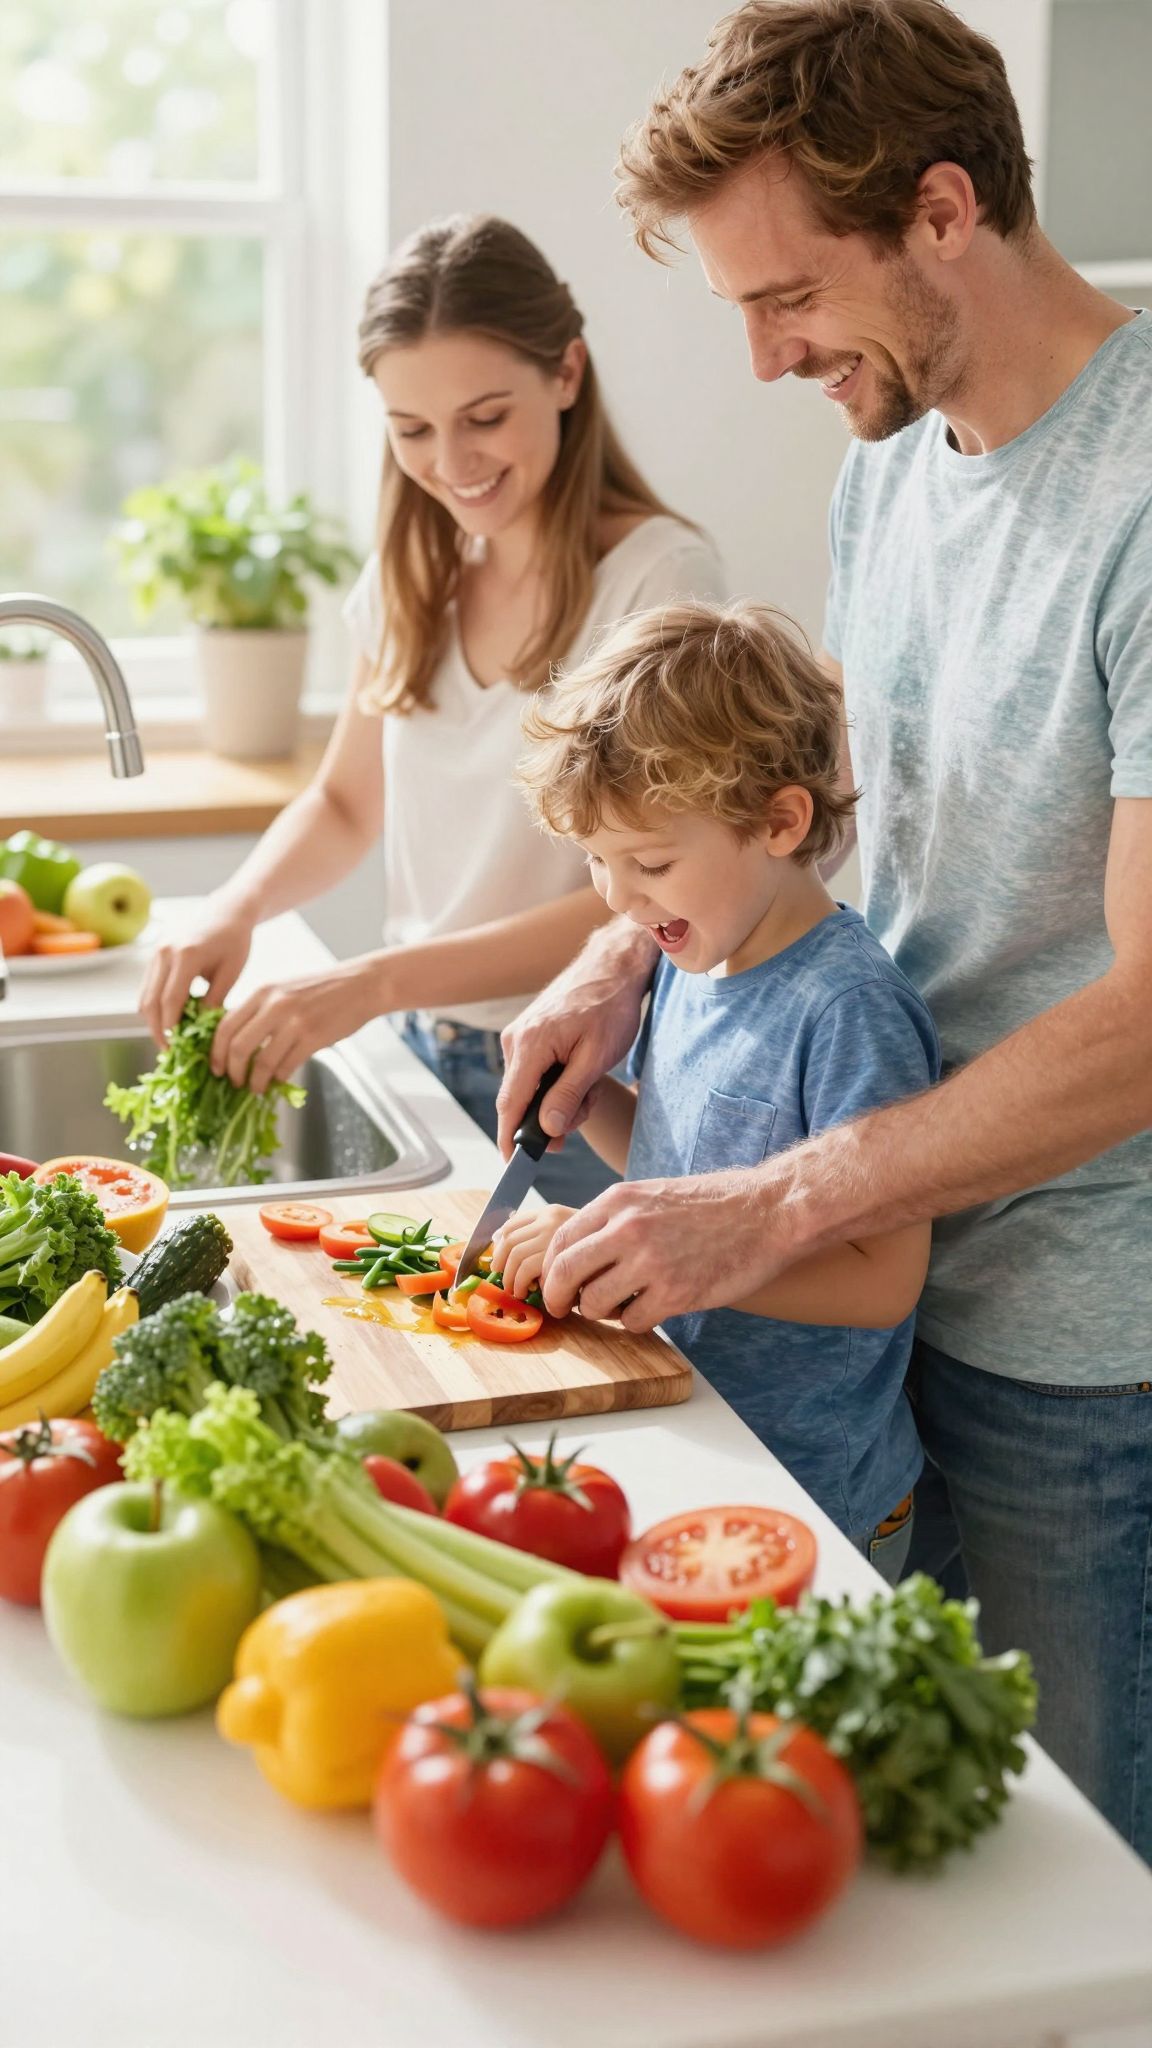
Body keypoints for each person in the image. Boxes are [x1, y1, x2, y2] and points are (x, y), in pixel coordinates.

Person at [496, 0, 1152, 1856]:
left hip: (1080, 1348)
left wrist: (779, 1202)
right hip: (900, 1295)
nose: (772, 356)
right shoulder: (893, 460)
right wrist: (624, 947)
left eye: (786, 299)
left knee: (1069, 1895)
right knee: (912, 1866)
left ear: (944, 208)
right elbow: (840, 816)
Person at [138, 213, 723, 1207]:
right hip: (422, 1055)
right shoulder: (415, 571)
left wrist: (373, 979)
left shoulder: (658, 577)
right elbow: (345, 805)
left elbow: (646, 888)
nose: (452, 461)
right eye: (411, 429)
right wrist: (233, 904)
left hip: (580, 1076)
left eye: (484, 416)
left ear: (567, 374)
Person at [490, 600, 939, 1573]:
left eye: (649, 861)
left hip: (822, 1485)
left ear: (782, 821)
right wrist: (581, 1099)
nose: (619, 896)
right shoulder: (695, 960)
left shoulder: (849, 1007)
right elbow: (682, 1160)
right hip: (710, 1430)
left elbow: (883, 1277)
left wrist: (650, 1247)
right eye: (597, 862)